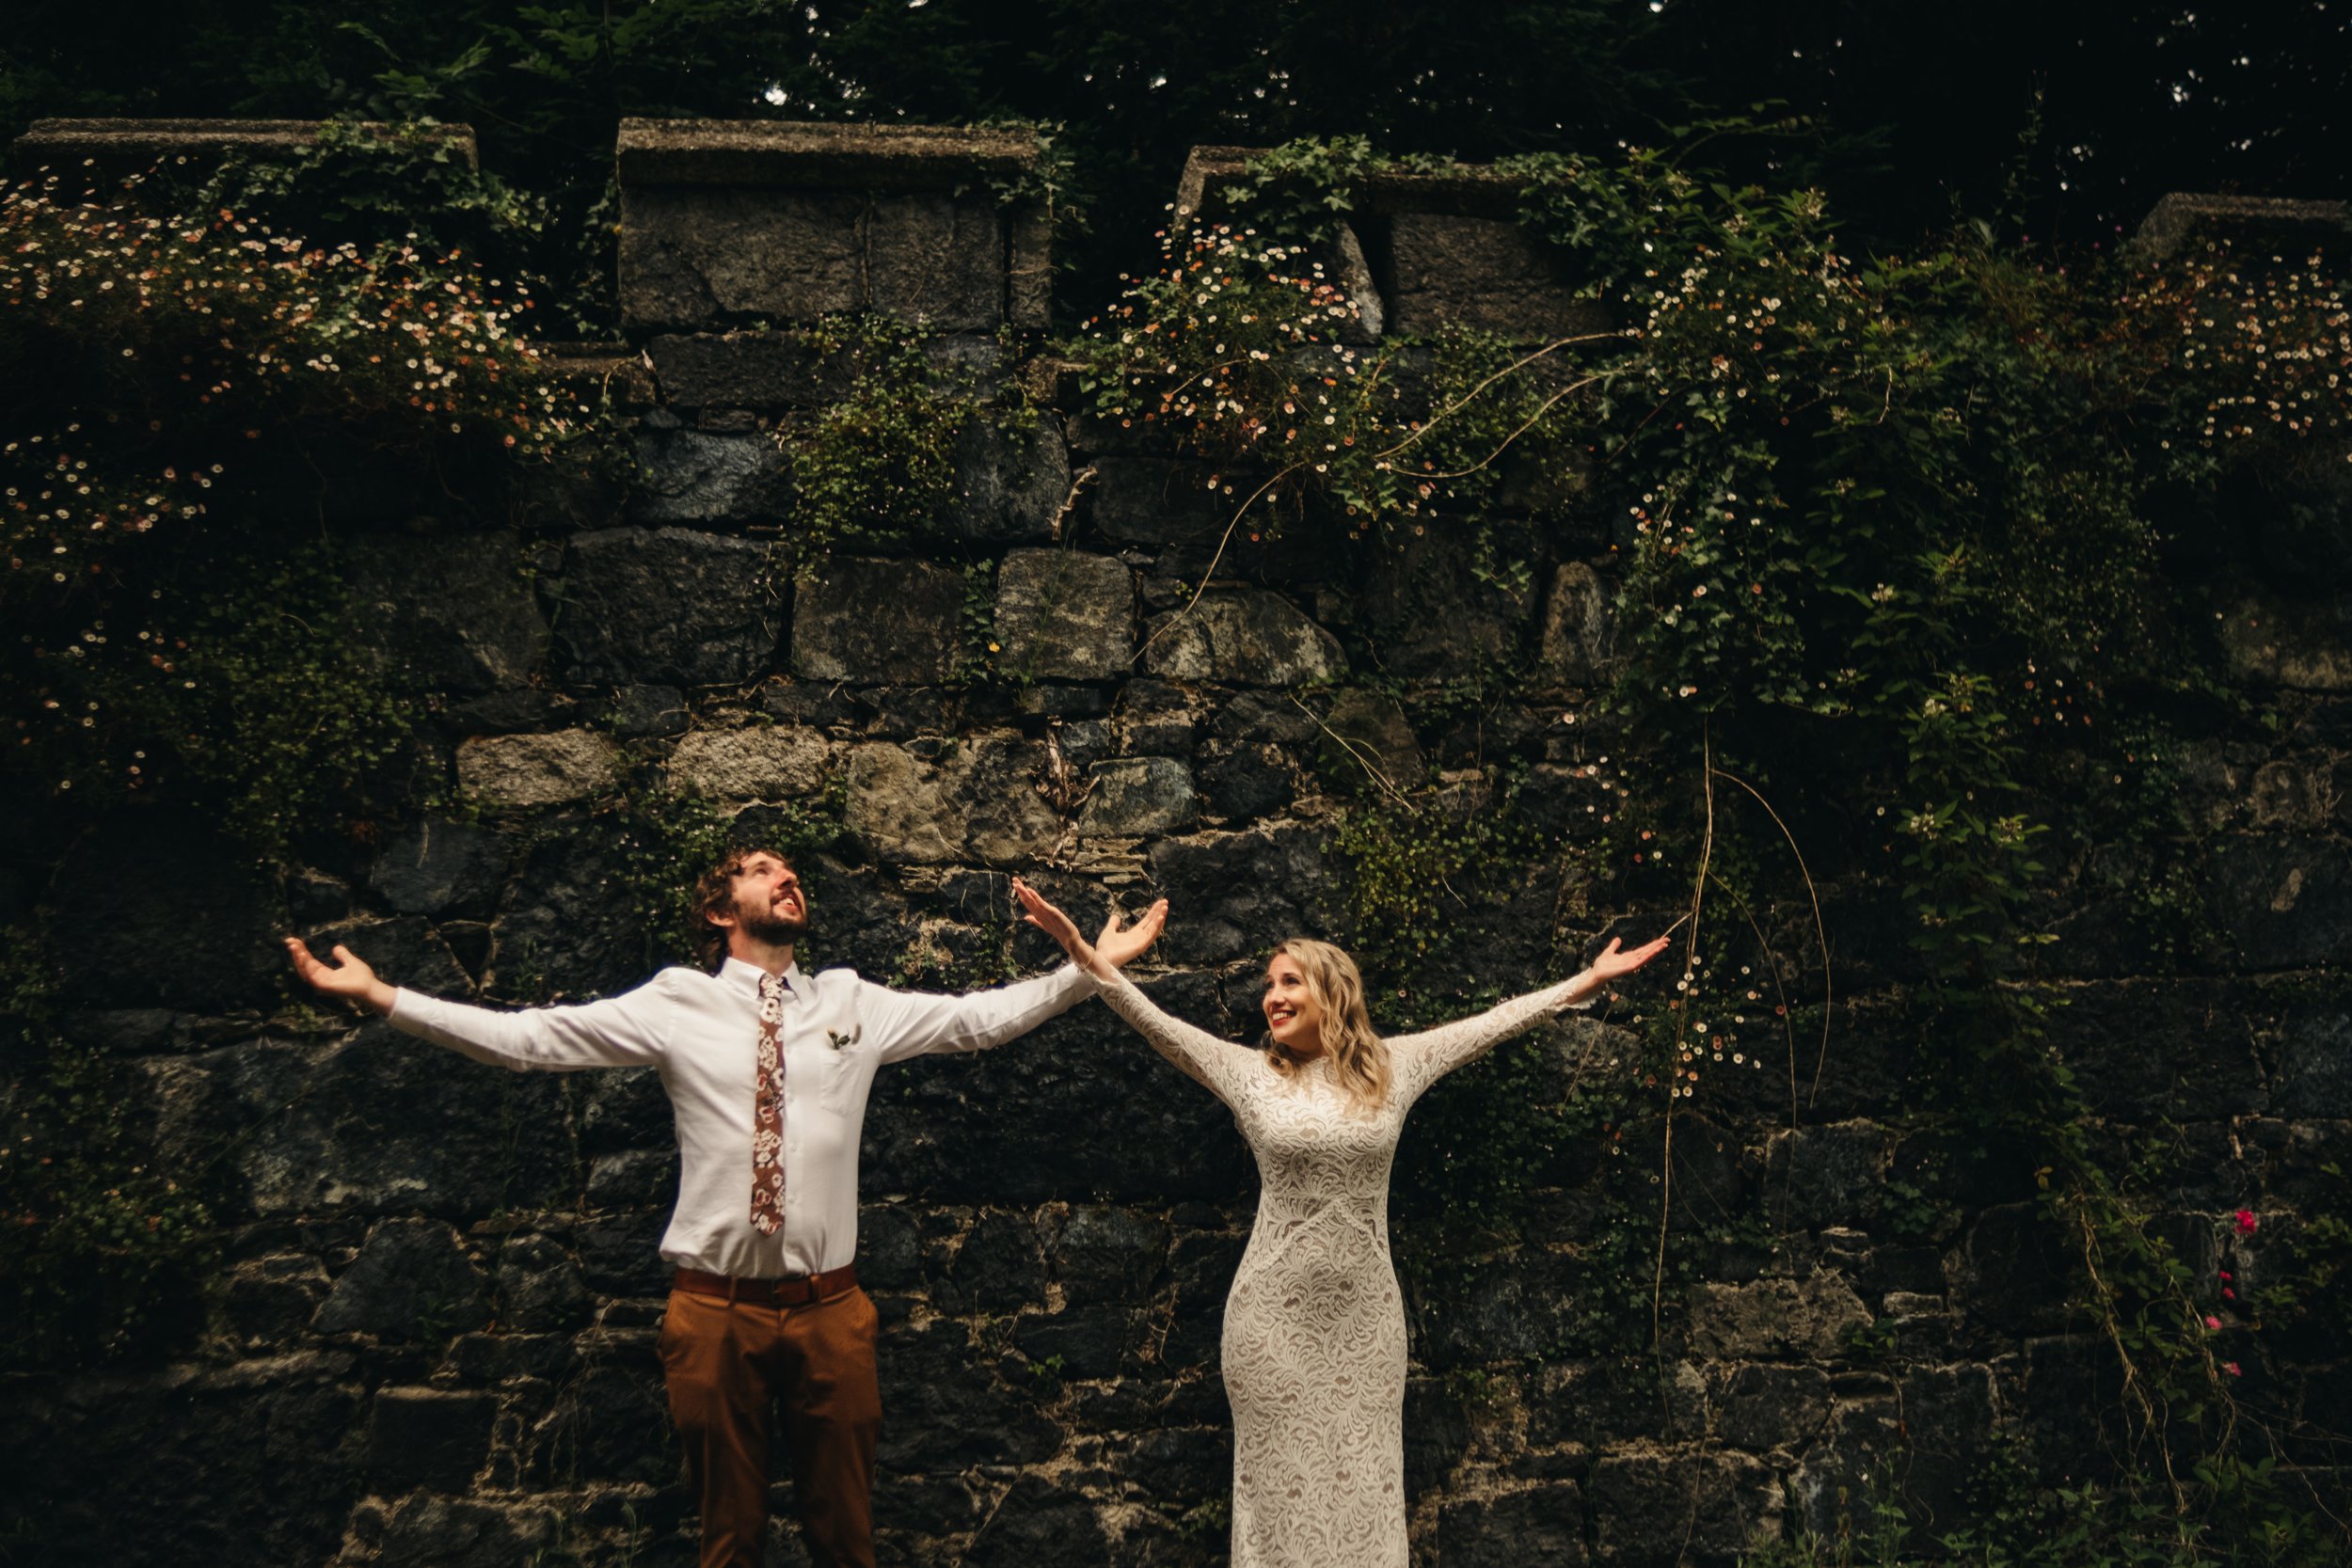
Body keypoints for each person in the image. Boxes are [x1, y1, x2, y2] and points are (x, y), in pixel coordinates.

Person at [285, 847, 1167, 1568]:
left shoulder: (853, 1003)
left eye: (791, 871)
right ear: (720, 910)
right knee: (727, 1543)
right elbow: (529, 1041)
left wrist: (1092, 971)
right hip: (714, 1314)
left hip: (832, 1313)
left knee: (847, 1540)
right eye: (759, 869)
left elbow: (980, 1019)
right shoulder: (676, 1002)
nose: (786, 877)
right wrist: (382, 997)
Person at [1009, 876, 1668, 1568]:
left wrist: (1584, 981)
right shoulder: (1249, 1074)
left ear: (1333, 991)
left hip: (1365, 1329)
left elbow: (1492, 1025)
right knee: (1278, 1504)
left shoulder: (1394, 1066)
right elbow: (1155, 1024)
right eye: (1268, 985)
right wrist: (1080, 947)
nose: (1273, 997)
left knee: (1363, 1498)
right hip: (1271, 1327)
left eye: (1290, 981)